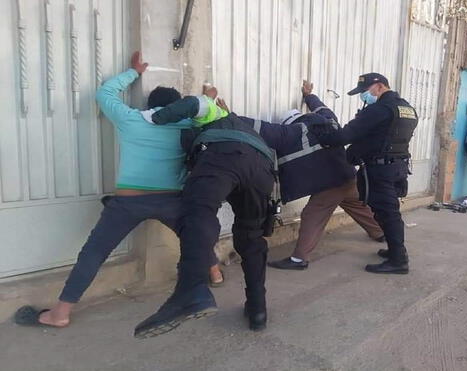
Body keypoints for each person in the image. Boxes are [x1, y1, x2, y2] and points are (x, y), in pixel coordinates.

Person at [12, 52, 223, 329]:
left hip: (129, 202)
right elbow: (212, 114)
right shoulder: (188, 125)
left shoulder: (131, 119)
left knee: (94, 252)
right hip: (173, 200)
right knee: (196, 235)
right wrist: (208, 95)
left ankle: (60, 313)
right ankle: (215, 273)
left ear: (150, 105)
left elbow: (104, 93)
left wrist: (133, 72)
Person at [134, 87, 275, 337]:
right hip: (262, 168)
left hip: (223, 158)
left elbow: (193, 103)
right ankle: (257, 309)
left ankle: (190, 292)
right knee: (251, 238)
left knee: (197, 212)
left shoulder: (200, 112)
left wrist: (153, 118)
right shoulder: (229, 120)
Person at [239, 80, 385, 271]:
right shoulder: (328, 120)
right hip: (349, 176)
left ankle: (299, 259)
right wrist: (309, 95)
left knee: (311, 216)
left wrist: (227, 115)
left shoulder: (289, 133)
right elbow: (321, 108)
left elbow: (259, 127)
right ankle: (380, 232)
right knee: (356, 204)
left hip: (329, 184)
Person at [311, 73, 418, 274]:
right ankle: (394, 251)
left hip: (380, 169)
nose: (363, 96)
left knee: (387, 213)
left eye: (365, 91)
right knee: (388, 210)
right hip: (398, 166)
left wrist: (322, 136)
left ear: (378, 86)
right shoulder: (406, 108)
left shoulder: (379, 110)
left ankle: (398, 260)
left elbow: (345, 135)